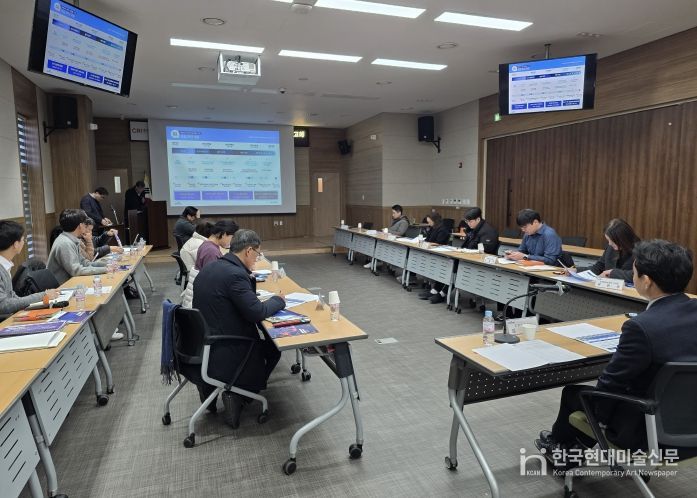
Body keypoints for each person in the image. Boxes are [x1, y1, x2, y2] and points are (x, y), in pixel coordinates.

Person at [535, 240, 697, 465]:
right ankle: (571, 448)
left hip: (647, 430)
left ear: (647, 281)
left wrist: (599, 419)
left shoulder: (640, 327)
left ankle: (562, 451)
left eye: (634, 272)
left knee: (574, 393)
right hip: (690, 423)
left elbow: (612, 382)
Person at [192, 229, 285, 428]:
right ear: (248, 250)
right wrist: (279, 300)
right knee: (273, 348)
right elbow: (257, 312)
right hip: (226, 346)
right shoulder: (235, 275)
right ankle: (240, 395)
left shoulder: (211, 267)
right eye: (257, 254)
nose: (257, 258)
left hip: (202, 341)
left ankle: (211, 387)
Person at [0, 220, 60, 316]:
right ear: (16, 244)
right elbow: (3, 305)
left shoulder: (5, 265)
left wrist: (43, 297)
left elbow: (12, 297)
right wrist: (43, 296)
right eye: (23, 239)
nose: (24, 242)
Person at [566, 218, 640, 282]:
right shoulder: (610, 247)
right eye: (608, 240)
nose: (610, 244)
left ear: (623, 240)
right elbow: (598, 268)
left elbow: (639, 275)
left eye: (613, 241)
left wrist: (612, 273)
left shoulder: (640, 250)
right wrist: (576, 270)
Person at [47, 209, 108, 285]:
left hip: (72, 282)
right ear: (80, 225)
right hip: (62, 286)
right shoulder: (65, 243)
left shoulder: (71, 239)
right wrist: (105, 269)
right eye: (84, 224)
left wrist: (106, 265)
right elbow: (76, 271)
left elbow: (84, 263)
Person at [363, 204, 410, 269]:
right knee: (378, 243)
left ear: (399, 213)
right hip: (392, 239)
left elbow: (400, 233)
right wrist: (386, 231)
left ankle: (378, 261)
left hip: (398, 242)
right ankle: (377, 261)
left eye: (394, 213)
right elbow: (393, 230)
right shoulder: (397, 220)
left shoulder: (404, 222)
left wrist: (388, 231)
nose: (392, 214)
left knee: (380, 245)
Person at [418, 212, 452, 303]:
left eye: (430, 222)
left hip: (441, 255)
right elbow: (428, 239)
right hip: (433, 253)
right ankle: (435, 290)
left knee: (441, 271)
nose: (429, 224)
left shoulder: (443, 229)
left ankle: (440, 292)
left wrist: (429, 244)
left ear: (435, 221)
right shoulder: (433, 228)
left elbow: (439, 242)